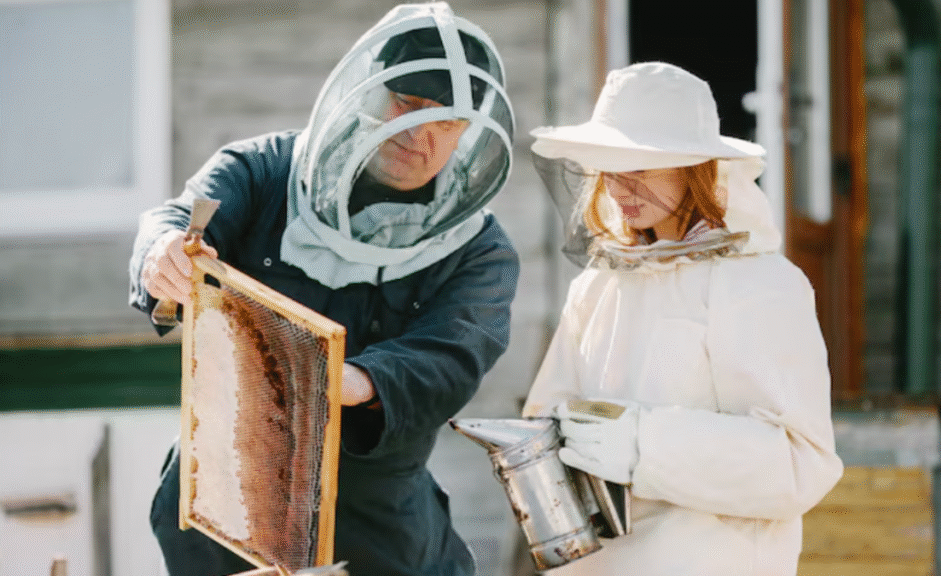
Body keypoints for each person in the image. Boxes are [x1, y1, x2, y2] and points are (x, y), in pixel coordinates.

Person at [128, 3, 518, 575]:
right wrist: (160, 254)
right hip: (225, 496)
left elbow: (453, 355)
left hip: (379, 527)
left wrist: (345, 379)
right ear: (366, 90)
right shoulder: (258, 172)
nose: (421, 137)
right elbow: (174, 221)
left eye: (447, 125)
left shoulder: (480, 249)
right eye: (407, 107)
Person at [522, 62, 843, 575]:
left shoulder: (760, 286)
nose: (621, 189)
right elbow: (547, 423)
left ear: (695, 169)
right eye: (610, 168)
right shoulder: (597, 285)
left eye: (641, 169)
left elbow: (799, 464)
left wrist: (640, 444)